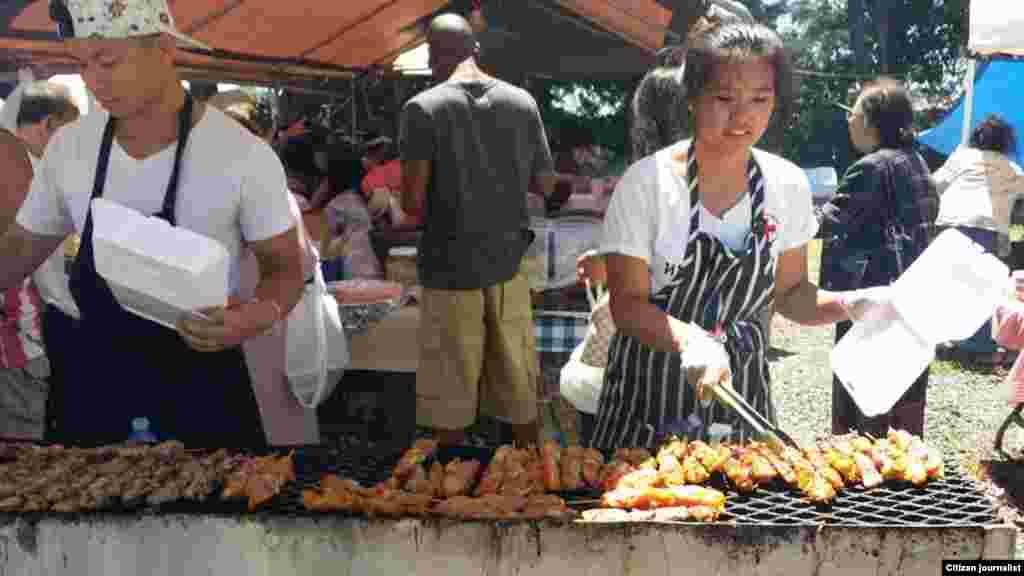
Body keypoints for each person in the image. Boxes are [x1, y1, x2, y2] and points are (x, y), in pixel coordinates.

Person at [1, 0, 305, 447]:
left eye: (108, 61)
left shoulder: (242, 155)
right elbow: (19, 250)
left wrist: (250, 318)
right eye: (82, 64)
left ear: (164, 48)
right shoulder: (71, 148)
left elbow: (285, 270)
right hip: (94, 389)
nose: (93, 80)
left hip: (200, 386)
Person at [588, 20, 894, 450]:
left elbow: (791, 293)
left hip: (742, 402)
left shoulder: (785, 185)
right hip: (646, 410)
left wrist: (852, 303)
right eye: (725, 98)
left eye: (760, 99)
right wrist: (693, 340)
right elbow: (627, 305)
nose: (743, 115)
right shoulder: (648, 184)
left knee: (742, 502)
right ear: (692, 98)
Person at [401, 13, 561, 448]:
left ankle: (457, 487)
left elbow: (413, 205)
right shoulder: (522, 103)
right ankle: (534, 474)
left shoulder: (422, 110)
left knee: (450, 396)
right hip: (508, 267)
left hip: (449, 270)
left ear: (432, 57)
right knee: (520, 384)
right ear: (476, 49)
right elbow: (548, 186)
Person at [820, 77, 938, 436]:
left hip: (871, 297)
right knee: (904, 394)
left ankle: (861, 473)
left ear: (872, 122)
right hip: (912, 296)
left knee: (862, 396)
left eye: (853, 113)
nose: (848, 120)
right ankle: (904, 472)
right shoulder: (916, 161)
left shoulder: (871, 167)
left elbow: (828, 222)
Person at [217, 97, 320, 446]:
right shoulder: (264, 187)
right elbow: (304, 261)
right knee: (276, 414)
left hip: (252, 318)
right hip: (262, 318)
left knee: (264, 420)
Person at [0, 79, 81, 440]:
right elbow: (44, 271)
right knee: (22, 459)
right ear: (48, 126)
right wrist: (78, 311)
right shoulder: (24, 169)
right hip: (17, 342)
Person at [932, 114, 1024, 365]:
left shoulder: (961, 157)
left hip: (949, 223)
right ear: (1006, 143)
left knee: (949, 282)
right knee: (983, 286)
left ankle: (943, 336)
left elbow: (935, 184)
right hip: (987, 228)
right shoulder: (1013, 169)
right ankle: (978, 343)